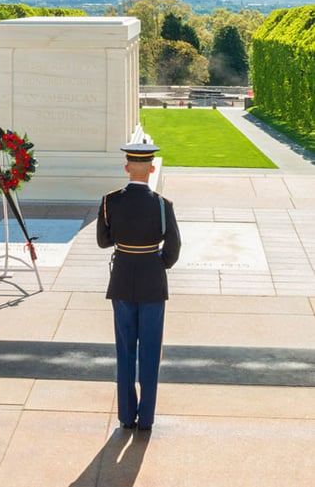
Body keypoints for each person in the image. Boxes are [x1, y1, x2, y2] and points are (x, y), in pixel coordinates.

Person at [97, 142, 181, 432]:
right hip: (152, 282)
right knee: (149, 352)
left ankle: (125, 416)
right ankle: (145, 418)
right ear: (152, 168)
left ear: (126, 167)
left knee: (125, 352)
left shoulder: (110, 201)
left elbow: (103, 241)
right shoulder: (161, 204)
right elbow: (174, 247)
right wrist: (159, 263)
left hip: (121, 280)